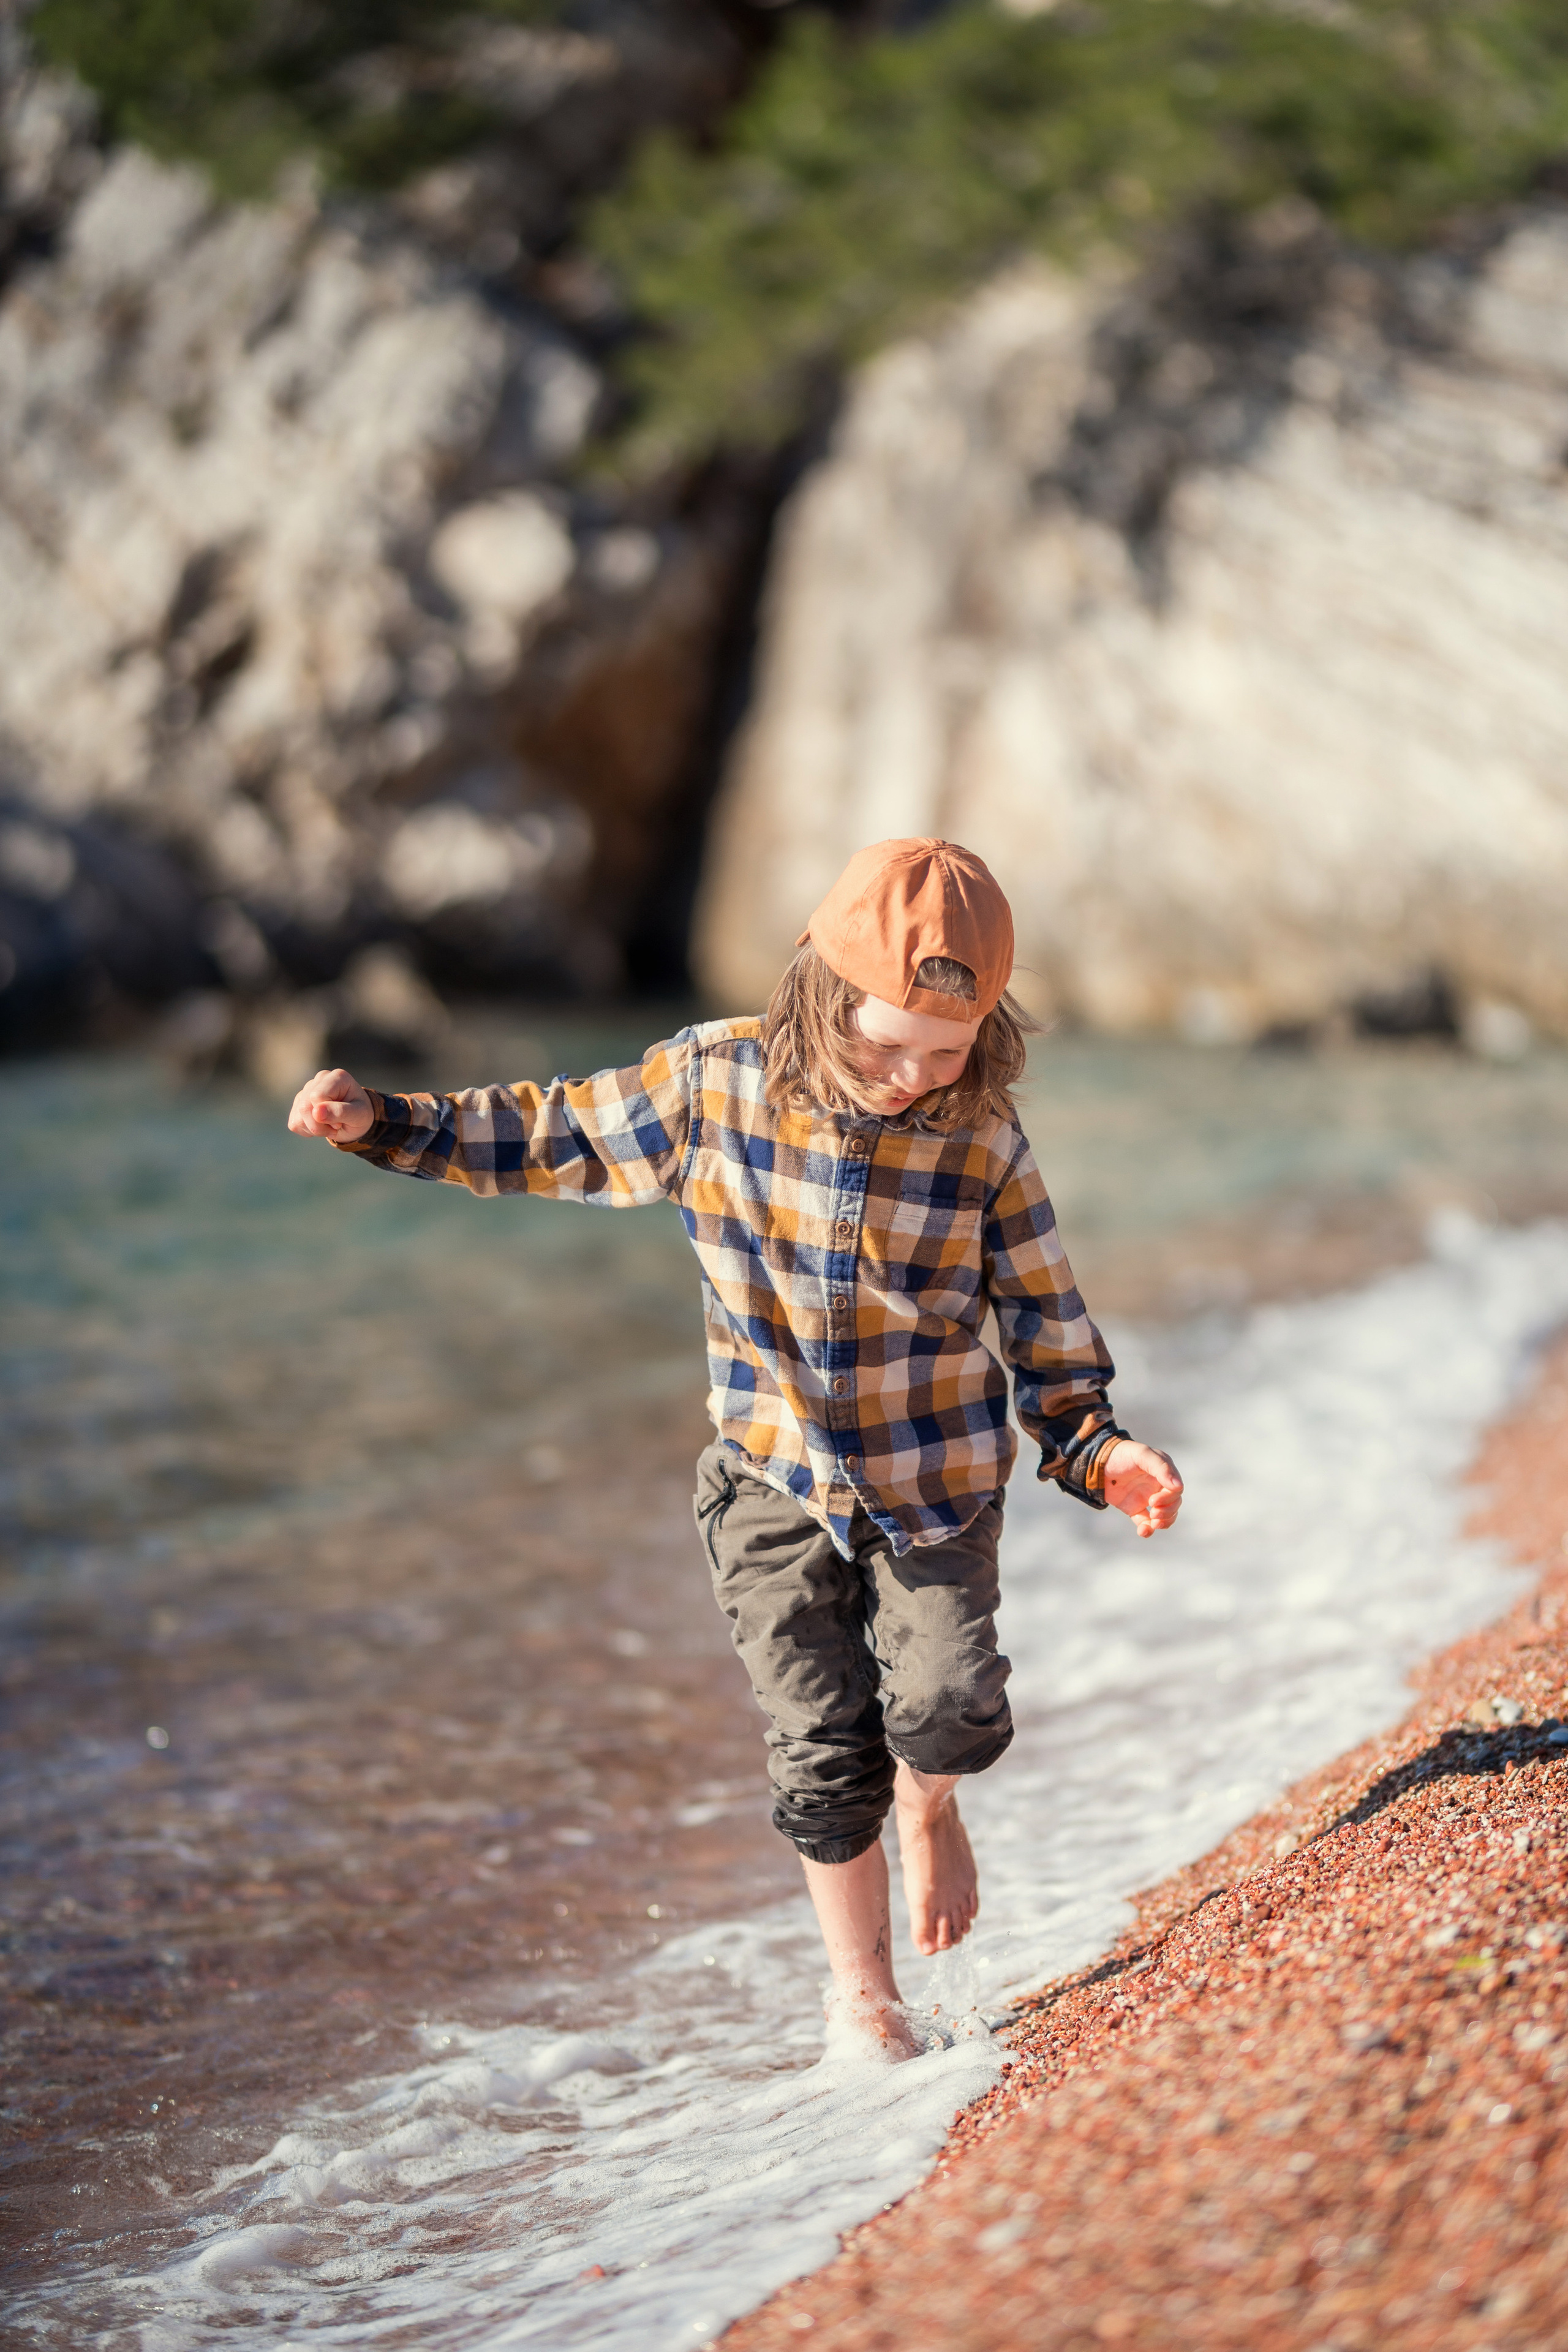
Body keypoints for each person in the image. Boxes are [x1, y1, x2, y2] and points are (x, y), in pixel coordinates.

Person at [287, 838, 1182, 2057]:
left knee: (947, 1712)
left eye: (944, 1053)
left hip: (934, 1482)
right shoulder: (713, 1086)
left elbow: (1039, 1314)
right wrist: (385, 1123)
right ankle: (863, 1999)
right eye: (882, 1047)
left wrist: (1096, 1449)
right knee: (820, 1753)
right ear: (820, 989)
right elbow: (550, 1134)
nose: (910, 1079)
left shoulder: (982, 1142)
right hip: (769, 1478)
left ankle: (932, 1804)